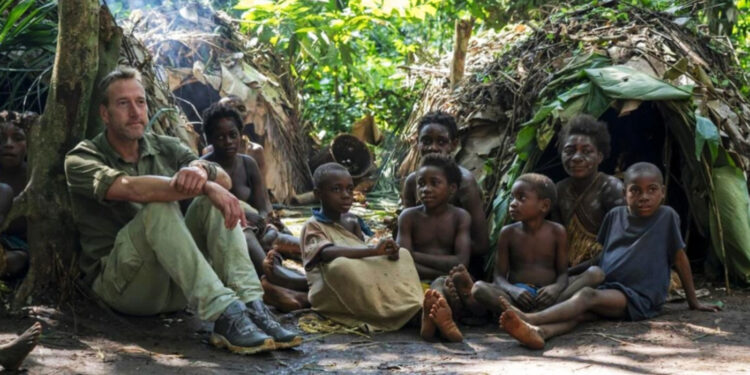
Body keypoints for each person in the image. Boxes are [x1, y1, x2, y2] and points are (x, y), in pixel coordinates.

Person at [64, 67, 300, 354]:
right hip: (124, 289)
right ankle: (224, 312)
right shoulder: (81, 157)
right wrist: (207, 185)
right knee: (159, 208)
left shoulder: (166, 146)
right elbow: (132, 189)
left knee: (210, 203)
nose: (135, 111)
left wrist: (203, 174)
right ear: (105, 113)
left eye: (140, 102)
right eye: (123, 103)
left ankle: (252, 306)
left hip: (178, 285)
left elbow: (221, 177)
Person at [500, 162, 720, 349]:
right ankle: (540, 332)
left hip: (639, 296)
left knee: (587, 296)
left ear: (662, 191)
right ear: (624, 193)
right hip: (610, 287)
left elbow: (680, 258)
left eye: (652, 190)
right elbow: (603, 257)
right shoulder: (614, 216)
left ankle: (531, 317)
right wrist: (570, 272)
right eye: (635, 190)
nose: (644, 197)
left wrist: (693, 301)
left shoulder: (666, 217)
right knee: (581, 314)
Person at [200, 103, 307, 312]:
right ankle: (278, 281)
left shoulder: (248, 163)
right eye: (220, 137)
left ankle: (297, 277)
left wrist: (265, 221)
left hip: (259, 231)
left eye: (233, 135)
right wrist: (247, 217)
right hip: (227, 234)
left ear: (241, 135)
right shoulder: (203, 167)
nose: (228, 142)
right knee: (242, 230)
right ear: (210, 140)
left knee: (295, 242)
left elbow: (265, 206)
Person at [301, 163, 423, 332]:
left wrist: (387, 251)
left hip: (358, 267)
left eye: (349, 189)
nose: (345, 195)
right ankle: (393, 315)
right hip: (332, 289)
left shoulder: (352, 221)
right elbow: (326, 253)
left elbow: (363, 247)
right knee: (341, 266)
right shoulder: (313, 226)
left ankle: (416, 306)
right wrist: (373, 252)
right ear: (318, 194)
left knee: (403, 254)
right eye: (336, 189)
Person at [471, 174, 604, 315]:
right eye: (512, 198)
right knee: (479, 288)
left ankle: (525, 315)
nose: (513, 203)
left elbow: (563, 274)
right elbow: (499, 277)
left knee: (596, 274)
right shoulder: (508, 233)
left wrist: (555, 288)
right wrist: (513, 290)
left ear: (544, 205)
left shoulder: (557, 232)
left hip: (549, 295)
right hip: (518, 296)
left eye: (521, 198)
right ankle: (539, 314)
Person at [401, 111, 489, 277]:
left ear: (454, 144)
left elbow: (481, 245)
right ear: (417, 143)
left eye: (441, 142)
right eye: (426, 141)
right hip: (419, 266)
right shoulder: (412, 182)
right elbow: (407, 233)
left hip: (457, 266)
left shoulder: (464, 182)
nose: (433, 147)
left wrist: (449, 252)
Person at [397, 153, 472, 337]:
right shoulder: (408, 217)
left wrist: (415, 256)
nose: (426, 189)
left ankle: (433, 317)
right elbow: (402, 262)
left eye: (434, 183)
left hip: (446, 281)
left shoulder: (460, 217)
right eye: (421, 184)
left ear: (452, 188)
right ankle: (437, 318)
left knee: (443, 285)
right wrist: (412, 259)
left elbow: (461, 261)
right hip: (414, 282)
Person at [553, 114, 625, 267]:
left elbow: (621, 246)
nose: (577, 158)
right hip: (571, 266)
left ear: (599, 156)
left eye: (586, 151)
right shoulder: (559, 190)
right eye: (570, 151)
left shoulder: (611, 188)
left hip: (608, 265)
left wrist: (572, 274)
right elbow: (557, 240)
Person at [0, 111, 34, 279]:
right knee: (4, 190)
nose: (8, 144)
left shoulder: (36, 177)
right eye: (1, 138)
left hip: (16, 247)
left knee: (18, 260)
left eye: (17, 138)